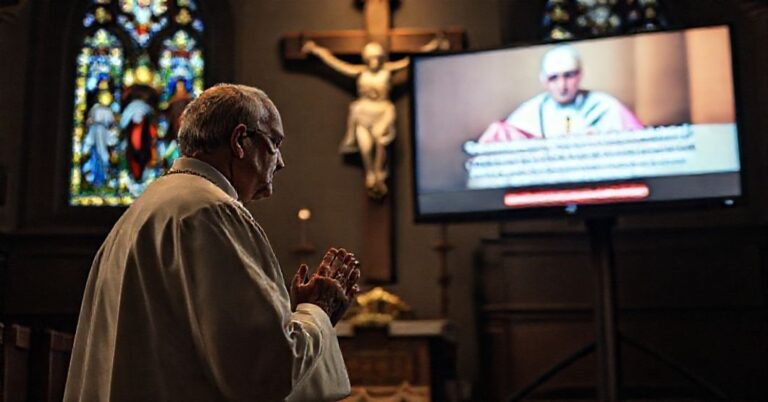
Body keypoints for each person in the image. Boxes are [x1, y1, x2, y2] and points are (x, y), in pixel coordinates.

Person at [65, 83, 362, 402]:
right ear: (239, 142)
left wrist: (283, 314)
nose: (280, 162)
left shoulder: (143, 211)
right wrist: (317, 311)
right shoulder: (211, 211)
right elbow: (262, 371)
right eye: (274, 142)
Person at [302, 37, 447, 199]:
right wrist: (317, 50)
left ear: (382, 58)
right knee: (365, 145)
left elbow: (408, 61)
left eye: (377, 58)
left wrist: (432, 47)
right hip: (363, 111)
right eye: (371, 58)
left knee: (381, 141)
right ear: (366, 58)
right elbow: (337, 64)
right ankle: (371, 173)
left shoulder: (387, 70)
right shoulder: (360, 72)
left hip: (382, 110)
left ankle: (379, 173)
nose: (374, 61)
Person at [477, 44, 643, 143]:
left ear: (580, 75)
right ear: (543, 81)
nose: (562, 86)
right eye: (553, 78)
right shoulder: (531, 111)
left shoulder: (606, 107)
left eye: (569, 76)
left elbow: (639, 143)